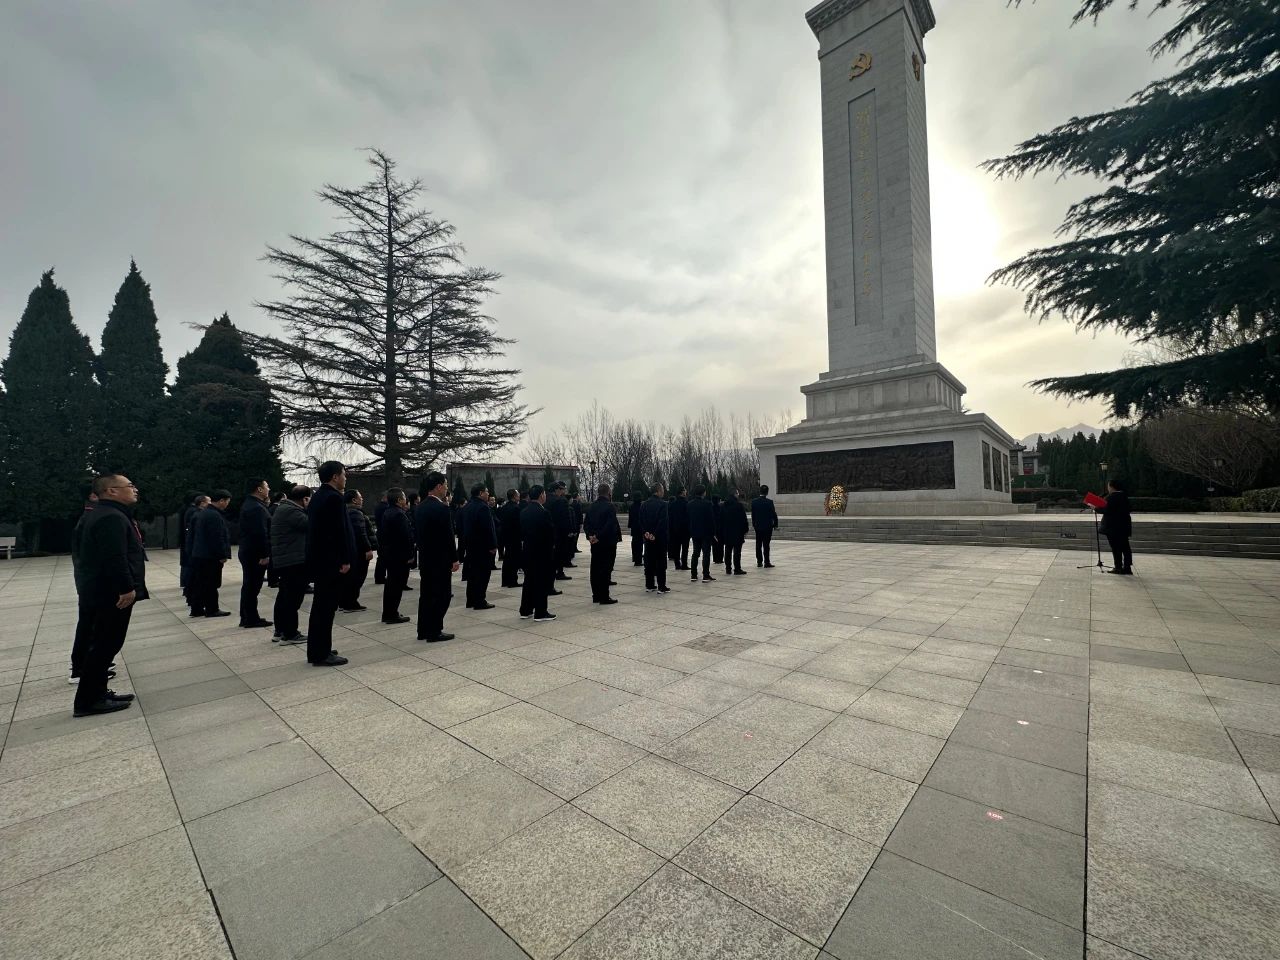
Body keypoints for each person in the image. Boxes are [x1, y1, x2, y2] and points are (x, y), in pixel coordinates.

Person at [72, 474, 146, 716]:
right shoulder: (110, 517)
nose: (135, 489)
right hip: (110, 592)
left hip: (102, 589)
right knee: (105, 644)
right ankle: (89, 700)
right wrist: (126, 587)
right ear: (112, 491)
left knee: (106, 643)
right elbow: (114, 557)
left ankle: (99, 692)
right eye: (130, 486)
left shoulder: (105, 513)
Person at [306, 461, 355, 666]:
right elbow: (337, 532)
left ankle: (318, 648)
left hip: (321, 560)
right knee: (325, 608)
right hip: (331, 561)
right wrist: (344, 559)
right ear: (335, 477)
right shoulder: (333, 498)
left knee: (321, 607)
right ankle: (321, 653)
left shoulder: (319, 496)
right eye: (343, 474)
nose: (345, 478)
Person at [416, 471, 460, 641]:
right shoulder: (441, 508)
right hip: (440, 560)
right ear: (439, 486)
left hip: (426, 558)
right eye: (446, 485)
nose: (447, 489)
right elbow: (448, 536)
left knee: (426, 595)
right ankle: (434, 631)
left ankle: (423, 630)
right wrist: (454, 558)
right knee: (442, 595)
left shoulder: (420, 507)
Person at [270, 484, 311, 645]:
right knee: (292, 599)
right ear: (305, 499)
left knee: (284, 596)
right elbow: (311, 525)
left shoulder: (284, 508)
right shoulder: (292, 511)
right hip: (293, 560)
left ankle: (280, 631)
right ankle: (290, 633)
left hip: (286, 559)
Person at [68, 486, 100, 684]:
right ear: (93, 496)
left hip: (89, 580)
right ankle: (80, 668)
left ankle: (88, 663)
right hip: (91, 581)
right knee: (88, 624)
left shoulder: (90, 516)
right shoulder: (91, 518)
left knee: (91, 624)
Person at [189, 490, 232, 617]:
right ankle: (212, 609)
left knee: (201, 583)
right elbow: (216, 537)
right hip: (210, 556)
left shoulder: (204, 512)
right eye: (227, 501)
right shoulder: (214, 515)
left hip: (200, 554)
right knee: (211, 584)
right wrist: (222, 555)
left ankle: (196, 609)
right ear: (221, 501)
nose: (227, 504)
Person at [238, 478, 273, 628]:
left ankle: (246, 617)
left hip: (249, 551)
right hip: (254, 553)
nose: (268, 489)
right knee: (252, 587)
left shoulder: (252, 504)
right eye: (266, 486)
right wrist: (264, 554)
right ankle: (251, 618)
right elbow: (260, 533)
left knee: (249, 586)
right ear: (259, 489)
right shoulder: (256, 507)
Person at [519, 484, 557, 621]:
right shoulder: (544, 512)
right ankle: (541, 612)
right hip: (542, 552)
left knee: (529, 581)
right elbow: (550, 533)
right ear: (541, 495)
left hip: (528, 550)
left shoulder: (524, 511)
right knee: (541, 581)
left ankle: (525, 609)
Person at [378, 488, 415, 624]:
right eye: (404, 497)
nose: (406, 499)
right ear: (399, 500)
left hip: (391, 554)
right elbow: (405, 537)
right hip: (399, 556)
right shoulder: (399, 514)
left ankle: (388, 613)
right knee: (396, 585)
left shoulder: (388, 512)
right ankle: (392, 614)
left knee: (391, 585)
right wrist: (410, 555)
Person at [584, 482, 622, 604]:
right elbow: (609, 525)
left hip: (594, 543)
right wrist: (598, 536)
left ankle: (596, 595)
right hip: (607, 542)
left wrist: (590, 536)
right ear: (609, 493)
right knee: (606, 568)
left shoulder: (591, 506)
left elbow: (586, 524)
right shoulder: (610, 507)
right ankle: (604, 596)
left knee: (595, 568)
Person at [462, 483, 497, 609]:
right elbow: (488, 528)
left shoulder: (467, 506)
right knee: (483, 574)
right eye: (486, 491)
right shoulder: (483, 507)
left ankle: (471, 600)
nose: (488, 494)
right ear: (481, 493)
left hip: (471, 545)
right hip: (482, 546)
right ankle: (479, 600)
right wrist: (492, 545)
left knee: (473, 574)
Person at [339, 489, 375, 611]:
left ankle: (344, 602)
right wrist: (368, 548)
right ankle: (351, 602)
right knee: (357, 577)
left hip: (352, 550)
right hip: (359, 551)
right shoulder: (355, 513)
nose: (362, 499)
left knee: (349, 578)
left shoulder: (345, 511)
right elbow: (360, 533)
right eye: (360, 497)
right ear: (354, 500)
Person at [639, 483, 672, 594]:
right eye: (662, 489)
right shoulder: (663, 504)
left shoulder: (644, 504)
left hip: (647, 537)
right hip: (660, 538)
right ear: (658, 491)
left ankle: (649, 585)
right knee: (661, 561)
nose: (663, 492)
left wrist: (646, 532)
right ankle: (661, 586)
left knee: (649, 561)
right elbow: (662, 522)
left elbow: (641, 520)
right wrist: (655, 534)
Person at [1097, 479, 1134, 575]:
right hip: (1124, 526)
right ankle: (1127, 567)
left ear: (1112, 487)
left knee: (1116, 548)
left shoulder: (1112, 497)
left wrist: (1095, 508)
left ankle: (1118, 567)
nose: (1107, 488)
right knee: (1125, 547)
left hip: (1113, 527)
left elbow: (1106, 510)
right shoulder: (1124, 496)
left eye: (1108, 486)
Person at [179, 492, 206, 603]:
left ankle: (187, 588)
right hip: (191, 545)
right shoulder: (194, 512)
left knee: (188, 567)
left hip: (188, 544)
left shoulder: (188, 510)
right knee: (191, 569)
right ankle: (188, 590)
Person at [687, 485, 717, 583]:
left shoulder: (690, 504)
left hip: (695, 532)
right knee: (706, 554)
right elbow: (711, 519)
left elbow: (688, 519)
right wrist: (713, 532)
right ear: (703, 492)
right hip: (705, 533)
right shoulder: (707, 504)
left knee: (695, 553)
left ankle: (693, 575)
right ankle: (705, 575)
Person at [547, 482, 574, 579]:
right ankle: (560, 572)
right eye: (561, 489)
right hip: (560, 532)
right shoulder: (561, 501)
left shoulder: (545, 500)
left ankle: (551, 571)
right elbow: (565, 517)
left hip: (548, 530)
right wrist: (569, 530)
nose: (562, 492)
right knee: (560, 552)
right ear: (557, 490)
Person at [719, 489, 749, 576]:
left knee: (728, 550)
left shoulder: (723, 505)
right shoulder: (739, 505)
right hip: (737, 531)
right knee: (737, 551)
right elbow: (743, 519)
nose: (738, 495)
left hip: (727, 531)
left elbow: (720, 519)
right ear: (735, 494)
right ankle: (737, 568)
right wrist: (745, 530)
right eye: (737, 493)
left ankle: (728, 569)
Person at [498, 488, 523, 588]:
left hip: (506, 536)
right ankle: (512, 581)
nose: (519, 496)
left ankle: (505, 581)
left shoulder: (504, 507)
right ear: (514, 496)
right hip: (514, 537)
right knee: (514, 559)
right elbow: (518, 524)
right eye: (518, 494)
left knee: (507, 559)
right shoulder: (516, 508)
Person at [751, 484, 780, 568]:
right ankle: (767, 562)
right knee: (766, 545)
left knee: (758, 544)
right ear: (767, 492)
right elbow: (774, 515)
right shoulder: (769, 502)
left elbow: (753, 515)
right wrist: (775, 525)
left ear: (760, 491)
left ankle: (759, 562)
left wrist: (754, 524)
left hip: (758, 527)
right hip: (767, 527)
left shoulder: (754, 502)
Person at [668, 486, 690, 571]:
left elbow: (670, 517)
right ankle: (684, 564)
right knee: (685, 548)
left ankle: (677, 564)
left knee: (676, 547)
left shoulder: (672, 504)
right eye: (685, 490)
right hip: (685, 529)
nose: (686, 492)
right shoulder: (686, 503)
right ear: (682, 492)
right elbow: (688, 517)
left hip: (675, 529)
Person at [372, 492, 390, 585]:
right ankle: (380, 577)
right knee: (383, 557)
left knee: (381, 557)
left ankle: (379, 576)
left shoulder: (378, 506)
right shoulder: (386, 508)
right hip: (384, 535)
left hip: (380, 534)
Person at [628, 492, 645, 566]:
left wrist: (630, 525)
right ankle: (638, 560)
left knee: (634, 543)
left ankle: (635, 558)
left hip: (634, 527)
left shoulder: (632, 506)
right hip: (640, 527)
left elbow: (630, 517)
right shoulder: (641, 506)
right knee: (639, 544)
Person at [711, 495, 725, 565]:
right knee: (720, 544)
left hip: (713, 529)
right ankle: (720, 558)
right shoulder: (721, 508)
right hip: (720, 529)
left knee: (714, 545)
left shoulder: (710, 508)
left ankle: (715, 558)